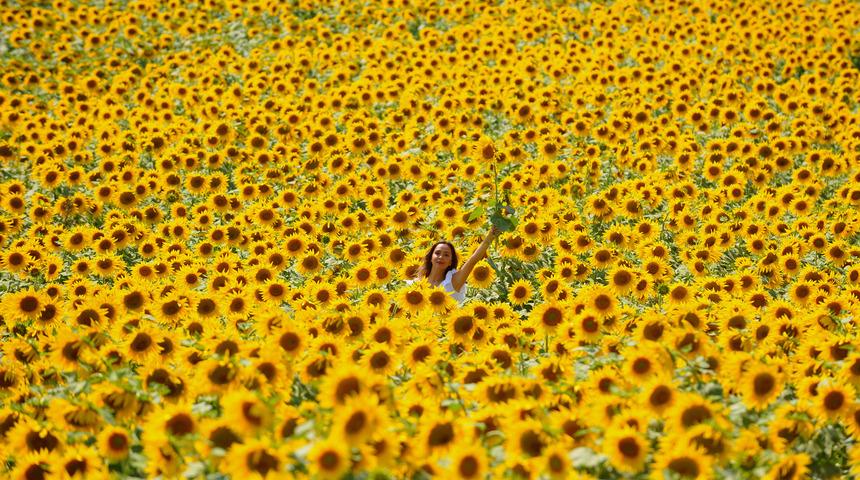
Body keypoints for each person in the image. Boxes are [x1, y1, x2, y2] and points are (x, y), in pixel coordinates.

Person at [411, 225, 501, 303]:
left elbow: (473, 260)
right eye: (437, 253)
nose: (441, 257)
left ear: (450, 261)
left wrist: (490, 236)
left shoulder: (453, 281)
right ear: (431, 257)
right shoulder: (417, 283)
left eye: (446, 255)